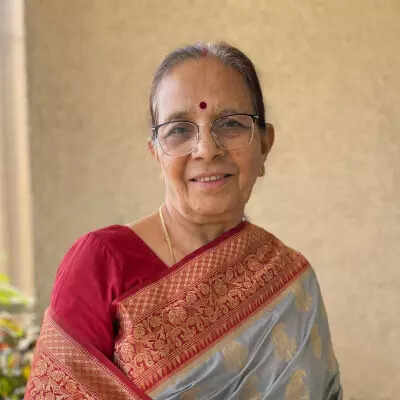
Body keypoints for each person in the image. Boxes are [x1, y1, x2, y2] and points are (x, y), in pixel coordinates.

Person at [25, 42, 342, 399]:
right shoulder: (103, 264)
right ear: (156, 153)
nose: (206, 149)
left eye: (231, 124)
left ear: (265, 144)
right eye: (179, 130)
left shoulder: (289, 278)